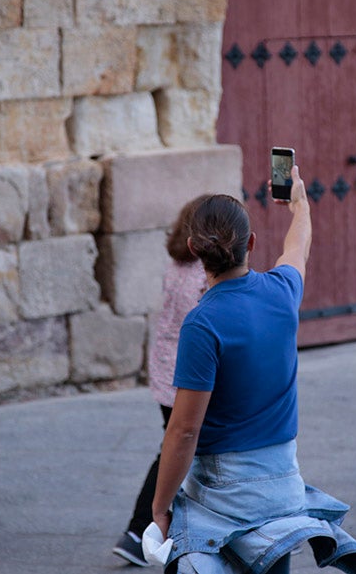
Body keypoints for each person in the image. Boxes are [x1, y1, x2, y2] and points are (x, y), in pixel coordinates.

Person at [150, 166, 356, 574]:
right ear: (251, 243)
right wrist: (299, 204)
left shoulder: (202, 323)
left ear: (194, 249)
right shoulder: (283, 292)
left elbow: (183, 430)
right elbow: (297, 246)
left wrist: (159, 507)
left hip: (223, 491)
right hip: (283, 483)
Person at [113, 195, 209, 567]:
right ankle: (139, 531)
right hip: (187, 376)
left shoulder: (176, 263)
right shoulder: (202, 274)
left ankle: (146, 532)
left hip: (166, 370)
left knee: (186, 449)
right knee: (178, 451)